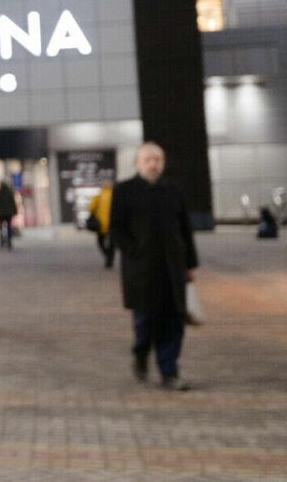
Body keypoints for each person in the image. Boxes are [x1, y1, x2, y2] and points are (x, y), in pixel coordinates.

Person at [110, 142, 199, 391]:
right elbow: (115, 228)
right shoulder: (125, 190)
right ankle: (141, 352)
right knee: (146, 320)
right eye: (148, 159)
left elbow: (185, 230)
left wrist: (190, 264)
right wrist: (133, 252)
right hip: (141, 270)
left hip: (172, 269)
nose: (154, 164)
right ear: (137, 163)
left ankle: (169, 371)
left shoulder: (173, 190)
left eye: (158, 159)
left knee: (174, 321)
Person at [88, 180, 115, 267]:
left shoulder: (98, 196)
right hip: (112, 224)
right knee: (112, 243)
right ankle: (110, 259)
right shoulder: (115, 196)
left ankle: (107, 254)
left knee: (100, 242)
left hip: (101, 224)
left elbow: (90, 208)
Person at [0, 179, 18, 250]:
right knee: (9, 226)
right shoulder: (9, 192)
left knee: (1, 227)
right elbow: (13, 203)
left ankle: (2, 241)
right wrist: (15, 212)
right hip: (8, 213)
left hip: (1, 213)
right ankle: (9, 241)